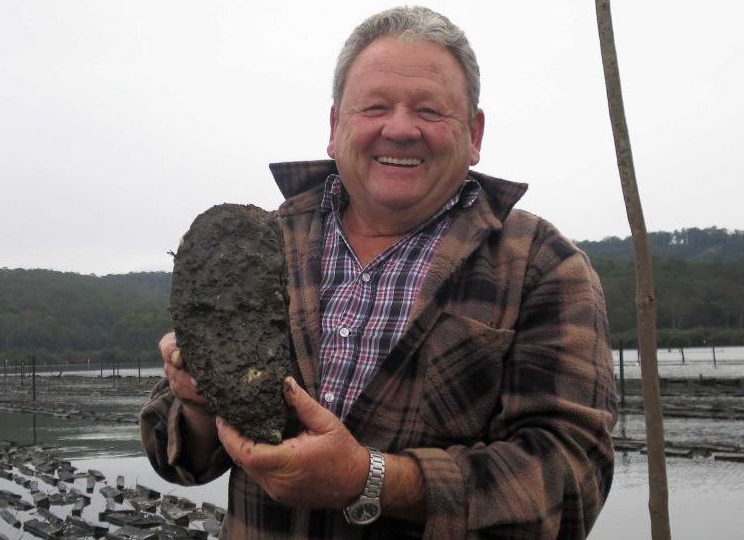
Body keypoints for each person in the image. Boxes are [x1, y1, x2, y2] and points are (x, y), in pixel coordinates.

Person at [141, 6, 617, 539]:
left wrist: (371, 480)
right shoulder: (255, 246)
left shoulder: (542, 265)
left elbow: (572, 482)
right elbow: (174, 456)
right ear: (334, 124)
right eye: (374, 107)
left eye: (430, 111)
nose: (400, 128)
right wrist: (198, 400)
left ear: (474, 132)